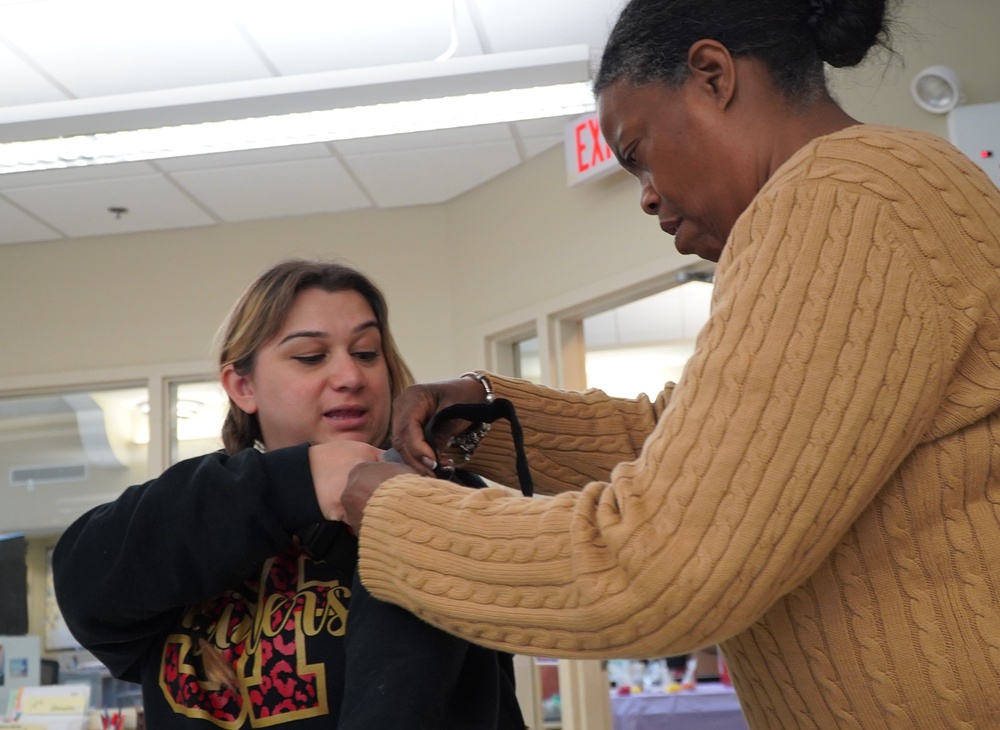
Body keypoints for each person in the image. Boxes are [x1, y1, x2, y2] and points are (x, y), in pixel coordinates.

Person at [340, 0, 1000, 728]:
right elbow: (689, 441)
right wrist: (483, 416)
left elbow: (659, 567)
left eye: (639, 153)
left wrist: (395, 514)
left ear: (712, 75)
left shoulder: (842, 198)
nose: (648, 195)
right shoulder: (871, 190)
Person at [52, 259, 524, 729]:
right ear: (242, 386)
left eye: (365, 353)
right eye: (311, 357)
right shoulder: (194, 506)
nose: (350, 377)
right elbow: (84, 580)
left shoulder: (437, 498)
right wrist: (298, 482)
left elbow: (402, 696)